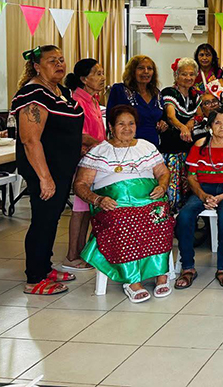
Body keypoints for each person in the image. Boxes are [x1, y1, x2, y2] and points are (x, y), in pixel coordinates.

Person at [73, 105, 174, 303]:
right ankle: (132, 280)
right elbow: (80, 184)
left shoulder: (146, 146)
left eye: (131, 124)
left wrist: (162, 186)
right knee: (125, 220)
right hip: (114, 203)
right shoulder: (99, 151)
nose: (127, 128)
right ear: (111, 126)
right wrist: (98, 200)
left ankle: (162, 274)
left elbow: (163, 172)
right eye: (121, 124)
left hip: (148, 200)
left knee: (160, 217)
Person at [12, 46, 84, 295]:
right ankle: (34, 279)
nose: (59, 64)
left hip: (61, 170)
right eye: (52, 61)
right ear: (37, 66)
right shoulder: (33, 94)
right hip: (46, 171)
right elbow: (30, 140)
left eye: (62, 59)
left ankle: (44, 267)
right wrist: (45, 178)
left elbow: (65, 130)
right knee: (43, 222)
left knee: (52, 221)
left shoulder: (60, 91)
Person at [175, 108, 223, 290]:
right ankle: (188, 268)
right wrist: (203, 196)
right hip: (204, 188)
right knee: (185, 216)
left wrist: (222, 196)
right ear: (209, 126)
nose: (222, 127)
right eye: (217, 122)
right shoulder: (200, 145)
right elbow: (192, 177)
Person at [63, 58, 106, 272]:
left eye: (102, 73)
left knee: (87, 208)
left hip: (94, 159)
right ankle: (71, 256)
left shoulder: (94, 100)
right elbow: (76, 133)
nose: (102, 77)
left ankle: (81, 251)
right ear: (83, 79)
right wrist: (100, 145)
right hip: (83, 161)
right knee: (80, 209)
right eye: (97, 73)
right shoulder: (76, 101)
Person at [159, 58, 201, 211]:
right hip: (171, 149)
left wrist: (190, 124)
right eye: (184, 74)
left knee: (187, 187)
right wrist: (183, 127)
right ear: (176, 75)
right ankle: (168, 223)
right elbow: (171, 116)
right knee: (171, 188)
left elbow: (197, 115)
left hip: (188, 149)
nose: (188, 78)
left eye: (191, 74)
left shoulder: (195, 95)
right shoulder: (169, 92)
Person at [107, 56, 166, 147]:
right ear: (132, 71)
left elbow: (161, 116)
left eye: (149, 68)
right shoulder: (120, 90)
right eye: (141, 68)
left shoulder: (156, 93)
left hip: (152, 147)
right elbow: (110, 119)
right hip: (127, 145)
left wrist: (163, 123)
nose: (146, 71)